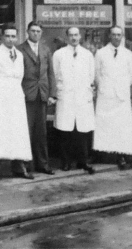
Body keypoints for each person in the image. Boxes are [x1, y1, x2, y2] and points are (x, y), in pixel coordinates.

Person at [0, 23, 33, 181]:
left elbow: (20, 76)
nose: (11, 39)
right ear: (2, 37)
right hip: (0, 94)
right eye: (7, 36)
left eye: (13, 36)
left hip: (15, 94)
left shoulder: (20, 55)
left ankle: (19, 166)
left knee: (18, 129)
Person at [93, 26, 132, 169]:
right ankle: (105, 154)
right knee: (105, 125)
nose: (116, 37)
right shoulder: (101, 53)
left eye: (119, 35)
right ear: (109, 36)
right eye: (114, 34)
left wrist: (122, 85)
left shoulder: (128, 54)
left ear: (122, 36)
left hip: (121, 97)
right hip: (106, 96)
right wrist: (105, 86)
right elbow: (96, 73)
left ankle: (121, 156)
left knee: (122, 126)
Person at [52, 26, 96, 174]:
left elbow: (91, 76)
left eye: (76, 35)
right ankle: (66, 162)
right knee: (65, 132)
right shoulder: (59, 54)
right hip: (66, 97)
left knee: (83, 131)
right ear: (67, 37)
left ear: (80, 36)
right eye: (71, 35)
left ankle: (83, 161)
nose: (74, 38)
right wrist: (60, 90)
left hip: (82, 97)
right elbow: (55, 75)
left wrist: (86, 91)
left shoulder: (87, 55)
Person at [17, 21, 56, 175]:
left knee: (41, 132)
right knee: (26, 131)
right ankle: (26, 166)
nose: (36, 34)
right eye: (33, 31)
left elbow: (50, 73)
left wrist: (52, 94)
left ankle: (43, 164)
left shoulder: (46, 50)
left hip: (42, 94)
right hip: (26, 95)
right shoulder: (20, 49)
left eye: (38, 31)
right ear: (27, 32)